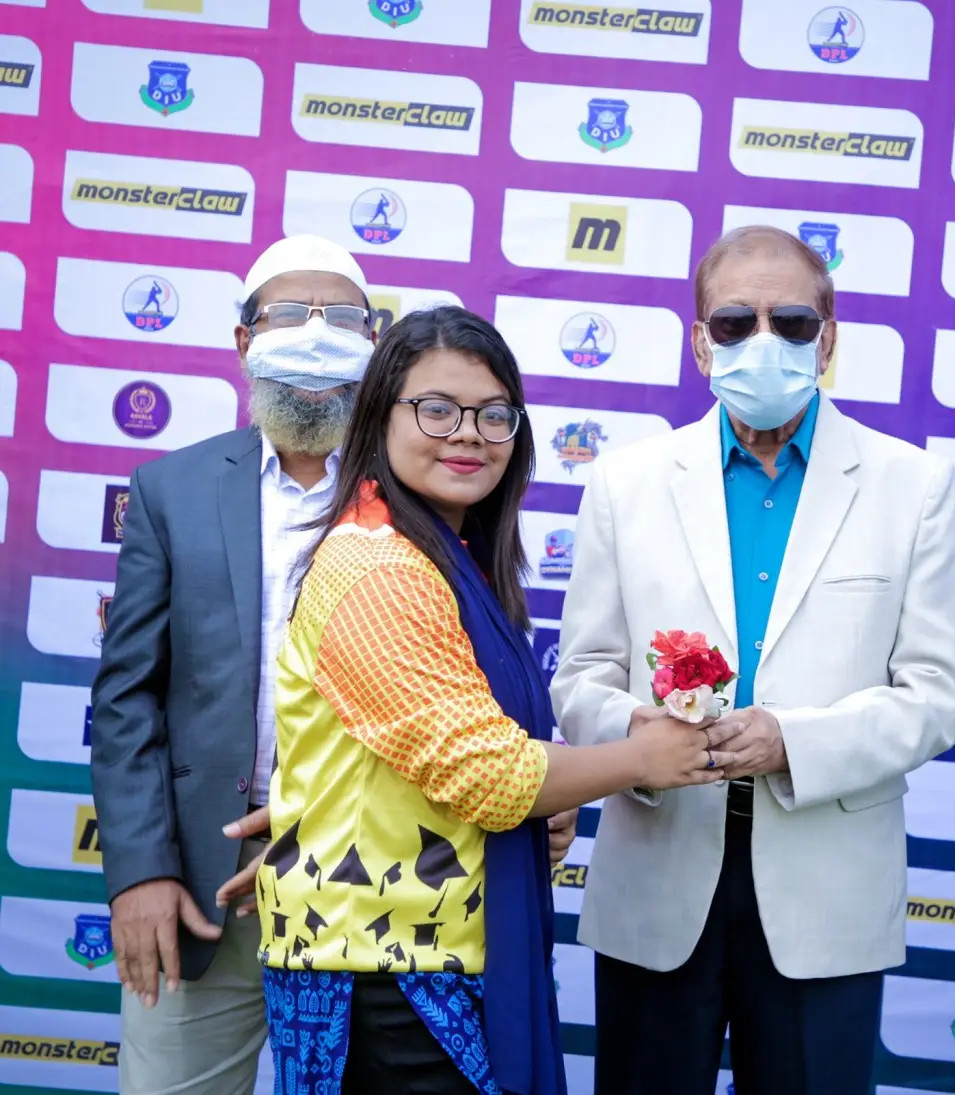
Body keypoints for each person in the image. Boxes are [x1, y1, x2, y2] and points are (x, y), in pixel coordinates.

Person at [250, 306, 732, 1093]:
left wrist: (554, 796)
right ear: (379, 416)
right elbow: (490, 775)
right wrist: (641, 758)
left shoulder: (452, 557)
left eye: (493, 414)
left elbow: (476, 755)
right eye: (436, 409)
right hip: (381, 964)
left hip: (435, 951)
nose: (468, 434)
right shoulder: (378, 570)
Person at [551, 225, 955, 1094]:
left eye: (791, 322)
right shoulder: (625, 484)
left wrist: (791, 741)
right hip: (658, 872)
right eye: (736, 322)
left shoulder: (912, 487)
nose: (764, 341)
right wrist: (641, 738)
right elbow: (581, 675)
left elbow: (937, 694)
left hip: (828, 888)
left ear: (829, 338)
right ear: (699, 341)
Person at [90, 234, 378, 1094]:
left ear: (375, 343)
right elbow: (127, 699)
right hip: (200, 888)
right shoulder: (170, 490)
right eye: (290, 315)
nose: (316, 335)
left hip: (367, 883)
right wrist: (139, 871)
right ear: (246, 340)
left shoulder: (416, 493)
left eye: (342, 319)